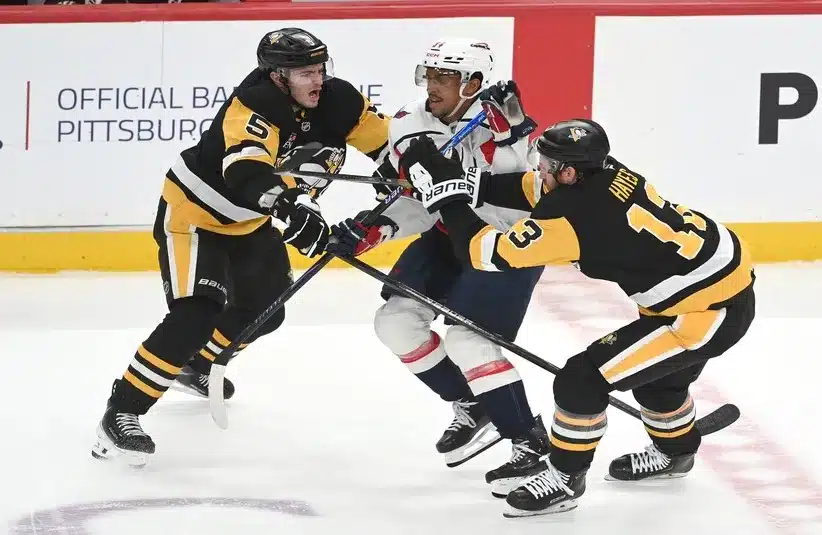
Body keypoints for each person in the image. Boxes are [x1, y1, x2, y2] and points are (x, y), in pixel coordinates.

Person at [397, 118, 756, 516]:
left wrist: (447, 198)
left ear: (568, 172)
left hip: (700, 315)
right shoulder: (606, 170)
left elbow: (485, 254)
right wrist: (470, 184)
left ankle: (565, 478)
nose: (539, 169)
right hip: (714, 280)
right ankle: (678, 452)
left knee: (581, 381)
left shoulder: (574, 221)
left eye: (547, 163)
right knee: (658, 388)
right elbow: (534, 188)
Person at [91, 27, 391, 466]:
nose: (317, 80)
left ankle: (196, 366)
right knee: (196, 313)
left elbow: (389, 147)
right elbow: (246, 174)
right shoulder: (254, 103)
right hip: (195, 217)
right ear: (275, 76)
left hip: (250, 223)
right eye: (304, 72)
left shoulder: (340, 101)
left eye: (320, 68)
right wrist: (291, 211)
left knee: (266, 311)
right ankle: (120, 414)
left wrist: (413, 174)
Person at [327, 37, 549, 497]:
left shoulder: (504, 120)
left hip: (507, 244)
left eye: (444, 77)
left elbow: (520, 195)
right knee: (395, 323)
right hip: (450, 236)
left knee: (468, 340)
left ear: (473, 82)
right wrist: (376, 230)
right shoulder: (410, 122)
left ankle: (530, 444)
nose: (433, 86)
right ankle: (473, 405)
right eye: (429, 75)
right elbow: (423, 199)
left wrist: (510, 134)